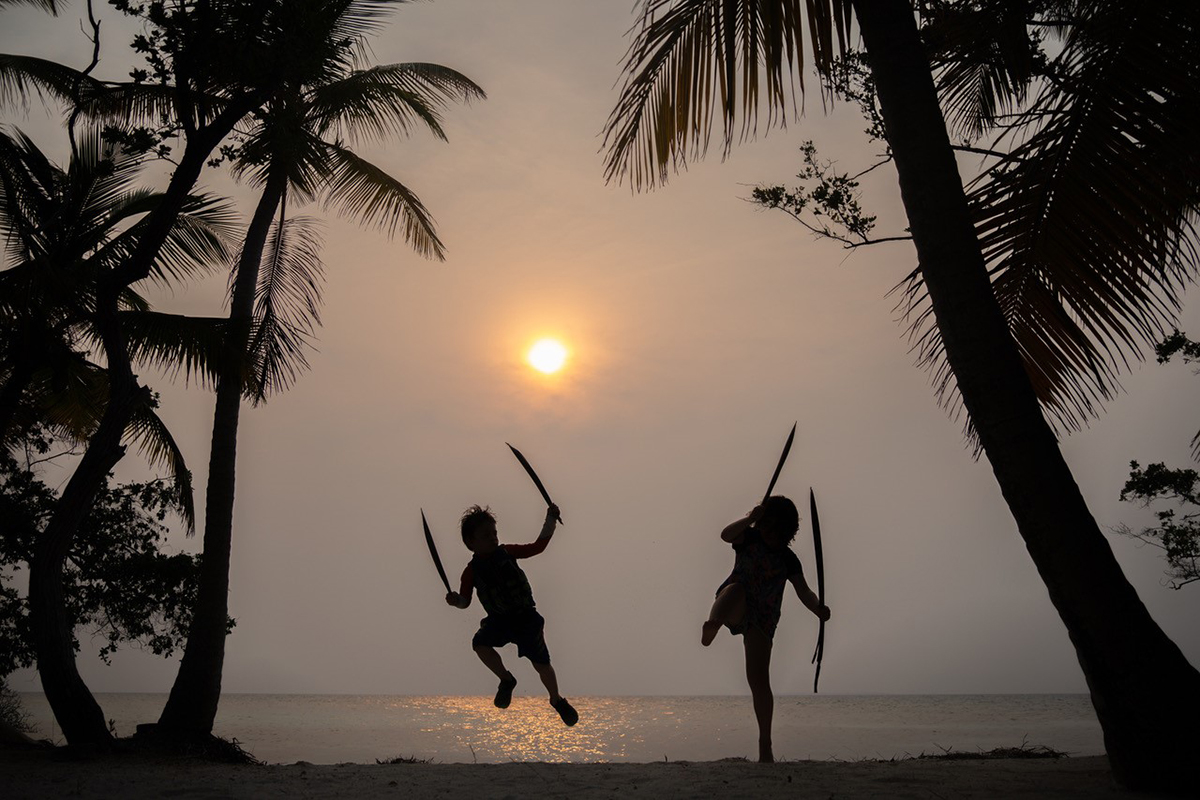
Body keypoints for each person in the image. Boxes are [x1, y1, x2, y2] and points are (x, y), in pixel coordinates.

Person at [701, 495, 830, 762]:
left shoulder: (788, 559)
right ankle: (713, 625)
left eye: (780, 532)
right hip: (735, 604)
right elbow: (726, 535)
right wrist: (750, 518)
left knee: (759, 681)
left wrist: (818, 608)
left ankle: (765, 744)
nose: (772, 536)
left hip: (763, 620)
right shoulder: (748, 538)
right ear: (761, 524)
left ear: (789, 534)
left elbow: (804, 591)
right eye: (768, 528)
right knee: (734, 591)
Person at [445, 502, 579, 726]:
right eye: (486, 535)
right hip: (499, 621)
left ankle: (556, 700)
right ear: (471, 542)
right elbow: (465, 602)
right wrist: (455, 601)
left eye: (494, 533)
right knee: (479, 644)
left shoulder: (507, 552)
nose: (493, 538)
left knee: (541, 664)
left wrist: (551, 519)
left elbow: (538, 547)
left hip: (526, 619)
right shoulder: (470, 572)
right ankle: (506, 679)